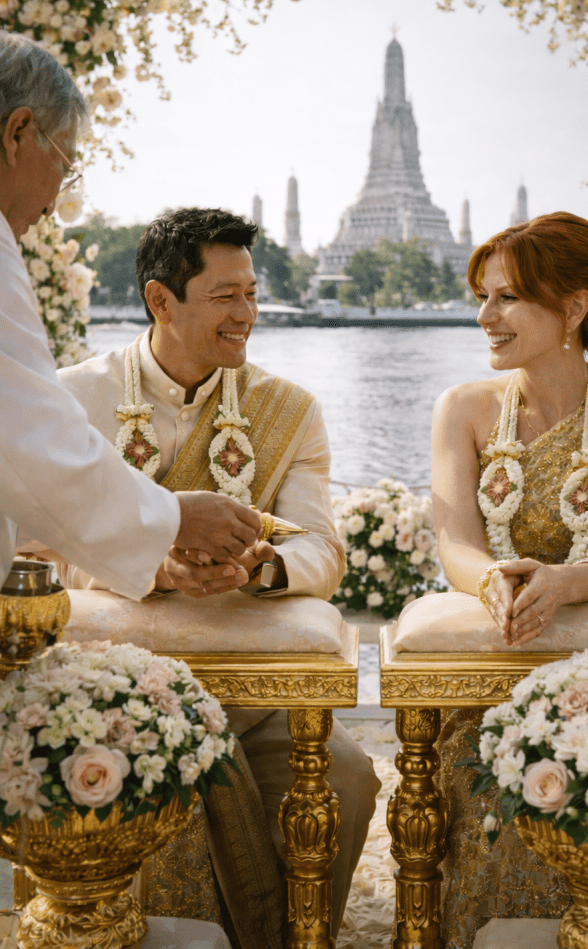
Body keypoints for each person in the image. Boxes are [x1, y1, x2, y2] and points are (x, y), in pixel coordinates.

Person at [31, 206, 380, 947]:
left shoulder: (289, 410)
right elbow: (36, 556)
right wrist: (150, 563)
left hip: (252, 685)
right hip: (115, 686)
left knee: (348, 782)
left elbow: (321, 546)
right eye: (226, 297)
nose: (247, 314)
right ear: (162, 300)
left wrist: (262, 566)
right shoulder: (72, 400)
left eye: (251, 294)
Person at [422, 212, 588, 945]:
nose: (485, 317)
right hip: (490, 676)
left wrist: (566, 583)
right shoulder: (464, 411)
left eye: (507, 298)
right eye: (483, 296)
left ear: (572, 308)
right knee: (490, 808)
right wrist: (495, 583)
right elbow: (455, 546)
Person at [0, 30, 262, 601]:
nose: (52, 205)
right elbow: (27, 438)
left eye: (252, 293)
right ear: (18, 133)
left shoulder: (286, 403)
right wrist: (171, 521)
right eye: (64, 168)